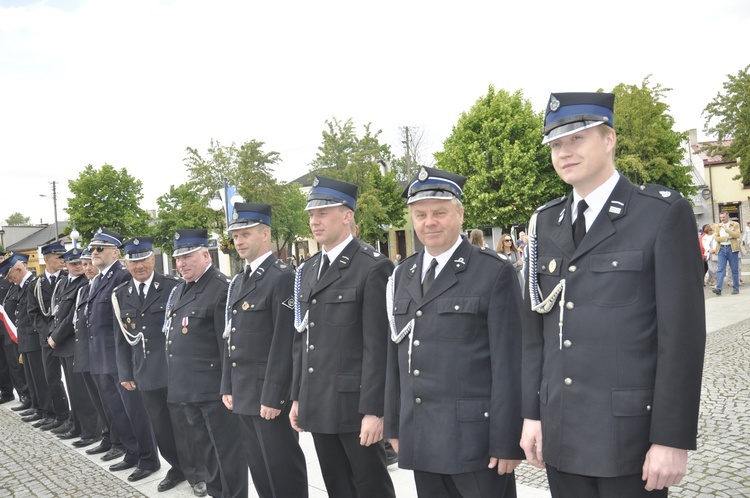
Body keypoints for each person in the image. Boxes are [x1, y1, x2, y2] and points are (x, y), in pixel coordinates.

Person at [520, 92, 706, 497]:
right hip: (562, 433)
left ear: (609, 140)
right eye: (555, 144)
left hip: (629, 437)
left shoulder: (659, 214)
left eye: (576, 139)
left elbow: (682, 338)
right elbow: (535, 334)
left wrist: (671, 438)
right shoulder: (546, 222)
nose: (564, 152)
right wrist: (532, 415)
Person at [384, 166, 524, 497]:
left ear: (460, 215)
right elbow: (395, 353)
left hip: (475, 442)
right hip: (422, 436)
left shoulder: (493, 272)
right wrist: (394, 423)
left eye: (439, 213)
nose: (429, 222)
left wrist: (507, 440)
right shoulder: (403, 274)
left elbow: (511, 362)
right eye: (420, 215)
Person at [290, 176, 396, 498]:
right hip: (318, 401)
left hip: (355, 406)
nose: (314, 221)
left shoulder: (373, 267)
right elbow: (302, 340)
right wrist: (298, 396)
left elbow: (378, 347)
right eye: (311, 214)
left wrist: (375, 411)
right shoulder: (307, 270)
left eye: (323, 213)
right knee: (337, 486)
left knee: (371, 486)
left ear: (347, 215)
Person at [220, 203, 308, 498]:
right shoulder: (239, 280)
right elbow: (230, 336)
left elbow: (285, 344)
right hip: (244, 393)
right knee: (260, 472)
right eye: (236, 236)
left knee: (283, 471)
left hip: (269, 398)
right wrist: (227, 385)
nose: (239, 241)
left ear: (265, 234)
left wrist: (275, 396)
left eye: (246, 234)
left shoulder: (281, 277)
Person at [165, 229, 247, 498]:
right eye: (178, 259)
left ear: (205, 254)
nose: (182, 264)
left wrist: (228, 388)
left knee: (227, 452)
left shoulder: (221, 288)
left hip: (214, 390)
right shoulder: (180, 289)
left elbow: (227, 346)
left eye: (187, 256)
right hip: (189, 388)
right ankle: (217, 492)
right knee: (207, 450)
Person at [112, 237, 199, 493]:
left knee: (184, 426)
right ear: (126, 264)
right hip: (145, 373)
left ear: (153, 259)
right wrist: (125, 372)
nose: (139, 266)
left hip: (174, 372)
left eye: (144, 259)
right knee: (161, 429)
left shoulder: (174, 287)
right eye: (133, 261)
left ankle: (198, 473)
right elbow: (121, 339)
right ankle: (177, 468)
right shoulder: (120, 295)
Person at [86, 228, 160, 481]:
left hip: (120, 357)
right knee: (116, 410)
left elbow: (127, 323)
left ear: (115, 253)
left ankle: (148, 458)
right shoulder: (98, 278)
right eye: (92, 249)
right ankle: (132, 451)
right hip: (101, 356)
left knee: (134, 410)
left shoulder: (120, 276)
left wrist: (128, 362)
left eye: (99, 249)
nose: (93, 253)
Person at [47, 247, 99, 443]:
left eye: (82, 263)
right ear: (66, 265)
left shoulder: (85, 284)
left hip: (73, 343)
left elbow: (71, 318)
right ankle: (77, 426)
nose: (79, 266)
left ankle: (90, 431)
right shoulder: (63, 283)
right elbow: (56, 311)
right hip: (63, 345)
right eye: (74, 263)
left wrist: (56, 336)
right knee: (73, 390)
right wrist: (51, 333)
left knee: (82, 392)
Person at [2, 253, 56, 427]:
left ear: (19, 269)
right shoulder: (19, 287)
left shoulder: (35, 284)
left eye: (11, 276)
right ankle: (38, 408)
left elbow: (40, 312)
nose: (11, 281)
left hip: (35, 338)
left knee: (41, 379)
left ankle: (49, 412)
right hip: (24, 339)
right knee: (32, 378)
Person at [26, 241, 70, 431]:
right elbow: (33, 312)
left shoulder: (69, 279)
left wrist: (58, 334)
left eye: (64, 256)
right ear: (46, 259)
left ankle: (79, 419)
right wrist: (48, 334)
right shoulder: (36, 284)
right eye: (58, 256)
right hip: (47, 339)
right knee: (51, 379)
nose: (63, 259)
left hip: (66, 337)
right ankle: (60, 415)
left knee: (74, 382)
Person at [0, 251, 30, 410]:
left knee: (17, 364)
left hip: (13, 329)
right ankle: (14, 392)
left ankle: (25, 394)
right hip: (6, 328)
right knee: (6, 364)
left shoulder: (9, 283)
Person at [712, 211, 741, 295]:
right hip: (721, 249)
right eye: (721, 217)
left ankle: (735, 288)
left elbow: (737, 235)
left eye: (724, 217)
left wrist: (727, 230)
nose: (722, 219)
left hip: (732, 249)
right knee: (720, 269)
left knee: (734, 269)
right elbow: (716, 238)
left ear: (728, 216)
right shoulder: (718, 226)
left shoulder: (735, 224)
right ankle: (719, 288)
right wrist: (727, 238)